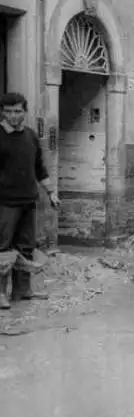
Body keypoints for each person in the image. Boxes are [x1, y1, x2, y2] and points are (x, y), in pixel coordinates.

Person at [0, 93, 58, 309]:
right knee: (3, 249)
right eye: (8, 111)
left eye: (17, 111)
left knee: (25, 246)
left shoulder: (31, 136)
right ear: (2, 112)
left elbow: (39, 168)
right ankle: (0, 293)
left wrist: (51, 192)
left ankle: (22, 290)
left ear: (25, 112)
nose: (13, 116)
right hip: (5, 202)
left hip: (28, 200)